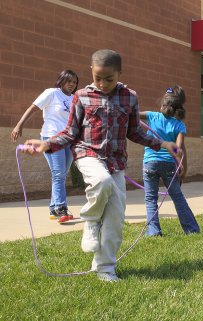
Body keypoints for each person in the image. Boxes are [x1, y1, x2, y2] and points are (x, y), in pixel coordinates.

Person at [22, 49, 180, 282]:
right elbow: (70, 132)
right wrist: (47, 145)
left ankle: (105, 268)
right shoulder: (82, 96)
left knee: (116, 217)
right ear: (91, 72)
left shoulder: (130, 97)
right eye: (98, 78)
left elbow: (135, 132)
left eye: (109, 79)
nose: (103, 84)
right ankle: (91, 221)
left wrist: (163, 144)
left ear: (119, 73)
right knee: (101, 182)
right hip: (88, 154)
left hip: (116, 162)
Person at [11, 70, 79, 223]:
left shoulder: (74, 98)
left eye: (74, 82)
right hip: (50, 137)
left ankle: (53, 207)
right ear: (61, 80)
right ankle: (61, 209)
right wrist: (19, 126)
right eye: (69, 81)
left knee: (61, 174)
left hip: (67, 140)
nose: (72, 84)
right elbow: (33, 108)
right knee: (58, 174)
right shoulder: (51, 93)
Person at [140, 86, 200, 236]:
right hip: (168, 165)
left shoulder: (152, 116)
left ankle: (154, 232)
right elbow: (179, 149)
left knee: (150, 198)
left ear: (162, 105)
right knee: (178, 197)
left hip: (150, 163)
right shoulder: (179, 125)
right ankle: (191, 230)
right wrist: (183, 169)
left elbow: (133, 115)